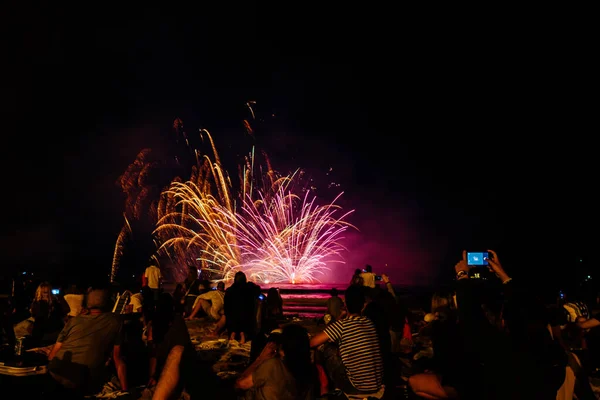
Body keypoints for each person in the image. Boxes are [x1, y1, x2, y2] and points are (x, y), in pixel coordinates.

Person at [45, 287, 128, 397]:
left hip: (55, 375)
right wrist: (125, 390)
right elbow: (118, 359)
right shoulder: (116, 321)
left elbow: (52, 356)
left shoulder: (73, 321)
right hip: (82, 381)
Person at [310, 284, 384, 397]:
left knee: (323, 348)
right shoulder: (369, 323)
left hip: (356, 387)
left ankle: (324, 388)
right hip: (376, 384)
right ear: (362, 305)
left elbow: (313, 342)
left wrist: (340, 316)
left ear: (345, 304)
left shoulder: (343, 325)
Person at [235, 323, 317, 399]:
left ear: (283, 349)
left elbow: (240, 385)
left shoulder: (273, 365)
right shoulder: (309, 370)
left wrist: (260, 359)